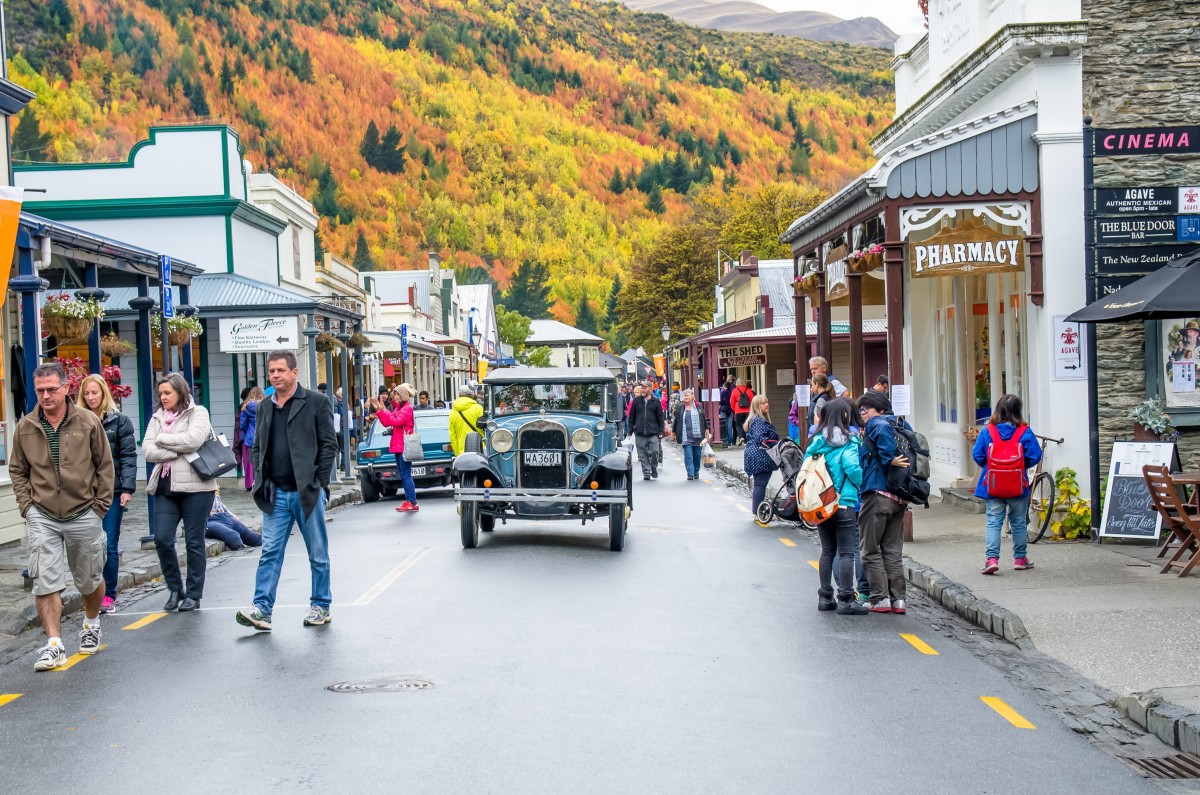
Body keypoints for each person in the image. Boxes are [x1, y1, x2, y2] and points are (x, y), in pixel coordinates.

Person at [11, 362, 114, 671]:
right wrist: (27, 508)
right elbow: (17, 471)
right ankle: (54, 644)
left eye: (51, 389)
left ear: (67, 388)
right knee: (45, 581)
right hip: (42, 514)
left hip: (84, 511)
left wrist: (99, 507)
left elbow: (105, 466)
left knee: (89, 579)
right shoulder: (26, 427)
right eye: (40, 391)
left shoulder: (87, 422)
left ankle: (91, 623)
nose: (45, 396)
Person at [236, 350, 338, 632]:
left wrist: (318, 481)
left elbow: (329, 445)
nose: (275, 375)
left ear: (295, 373)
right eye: (271, 371)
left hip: (306, 492)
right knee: (270, 552)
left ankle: (320, 605)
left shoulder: (316, 402)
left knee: (317, 553)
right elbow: (258, 446)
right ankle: (262, 609)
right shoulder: (265, 406)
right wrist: (260, 477)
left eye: (281, 370)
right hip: (276, 493)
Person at [143, 372, 218, 613]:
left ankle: (194, 594)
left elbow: (194, 441)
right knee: (162, 540)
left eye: (168, 393)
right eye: (161, 393)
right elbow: (147, 450)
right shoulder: (157, 417)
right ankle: (175, 588)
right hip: (165, 487)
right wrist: (176, 449)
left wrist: (162, 440)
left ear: (181, 392)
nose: (163, 398)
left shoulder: (199, 413)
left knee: (194, 542)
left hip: (197, 488)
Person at [76, 374, 136, 615]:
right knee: (85, 546)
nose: (91, 398)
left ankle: (109, 595)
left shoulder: (120, 421)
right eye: (87, 393)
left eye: (95, 393)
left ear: (103, 394)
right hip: (82, 495)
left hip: (112, 491)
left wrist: (128, 489)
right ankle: (91, 593)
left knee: (109, 545)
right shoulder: (76, 421)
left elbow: (128, 456)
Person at [803, 400, 868, 616]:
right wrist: (858, 481)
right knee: (847, 552)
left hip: (821, 504)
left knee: (827, 551)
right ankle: (846, 600)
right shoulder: (849, 442)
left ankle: (825, 596)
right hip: (843, 502)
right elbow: (852, 468)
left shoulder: (815, 441)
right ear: (845, 416)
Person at [972, 394, 1042, 574]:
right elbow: (1035, 455)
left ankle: (992, 559)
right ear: (1018, 410)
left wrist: (991, 467)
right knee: (1018, 522)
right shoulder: (1024, 431)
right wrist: (1019, 466)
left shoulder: (988, 431)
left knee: (994, 521)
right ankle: (1020, 558)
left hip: (992, 484)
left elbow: (978, 455)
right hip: (1017, 484)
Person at [857, 391, 911, 614]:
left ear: (879, 408)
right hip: (899, 495)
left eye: (866, 409)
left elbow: (881, 447)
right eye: (860, 410)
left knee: (869, 549)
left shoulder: (877, 423)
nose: (863, 414)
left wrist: (888, 459)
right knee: (891, 550)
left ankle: (880, 598)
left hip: (877, 493)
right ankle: (898, 600)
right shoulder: (901, 423)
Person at [371, 383, 419, 512]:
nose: (394, 396)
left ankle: (412, 502)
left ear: (403, 395)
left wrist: (385, 411)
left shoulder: (407, 409)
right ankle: (410, 500)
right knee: (403, 475)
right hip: (398, 445)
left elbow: (396, 421)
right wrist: (380, 411)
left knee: (406, 475)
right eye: (395, 394)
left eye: (397, 394)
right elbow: (387, 422)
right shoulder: (398, 408)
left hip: (404, 446)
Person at [743, 395, 779, 513]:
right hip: (760, 455)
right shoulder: (759, 420)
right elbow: (761, 439)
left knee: (760, 484)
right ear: (757, 406)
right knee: (760, 484)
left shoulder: (756, 419)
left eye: (767, 402)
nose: (767, 405)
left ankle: (757, 510)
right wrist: (776, 444)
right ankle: (757, 511)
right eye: (763, 403)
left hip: (755, 454)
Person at [628, 379, 667, 480]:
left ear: (650, 389)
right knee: (642, 454)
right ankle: (646, 473)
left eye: (645, 388)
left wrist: (660, 431)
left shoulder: (656, 402)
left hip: (653, 433)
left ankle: (653, 467)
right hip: (639, 433)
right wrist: (630, 431)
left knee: (654, 452)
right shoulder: (636, 401)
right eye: (642, 388)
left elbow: (660, 417)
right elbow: (632, 416)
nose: (643, 390)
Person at [671, 388, 711, 481]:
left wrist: (707, 429)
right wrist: (673, 433)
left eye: (687, 395)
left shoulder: (699, 406)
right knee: (688, 455)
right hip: (686, 436)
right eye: (684, 396)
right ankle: (690, 473)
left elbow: (703, 419)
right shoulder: (680, 407)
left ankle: (696, 471)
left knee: (697, 455)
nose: (686, 397)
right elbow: (676, 421)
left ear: (692, 396)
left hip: (698, 436)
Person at [239, 386, 264, 491]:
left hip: (251, 438)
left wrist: (248, 431)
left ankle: (255, 484)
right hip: (264, 436)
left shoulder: (246, 407)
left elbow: (242, 425)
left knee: (253, 462)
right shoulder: (266, 405)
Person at [449, 384, 484, 456]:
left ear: (459, 395)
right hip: (479, 449)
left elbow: (453, 437)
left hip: (462, 453)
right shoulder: (478, 408)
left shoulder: (453, 413)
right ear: (472, 395)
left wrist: (457, 453)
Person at [729, 378, 754, 446]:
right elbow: (752, 400)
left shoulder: (734, 390)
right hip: (748, 410)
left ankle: (741, 437)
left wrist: (734, 409)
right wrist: (751, 409)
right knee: (747, 425)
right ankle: (747, 439)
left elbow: (731, 401)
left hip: (738, 411)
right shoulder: (748, 390)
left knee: (738, 425)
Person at [719, 376, 734, 446]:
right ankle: (730, 440)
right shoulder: (732, 392)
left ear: (724, 386)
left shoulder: (722, 393)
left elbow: (721, 401)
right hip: (730, 410)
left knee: (724, 424)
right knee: (729, 425)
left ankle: (725, 440)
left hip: (723, 409)